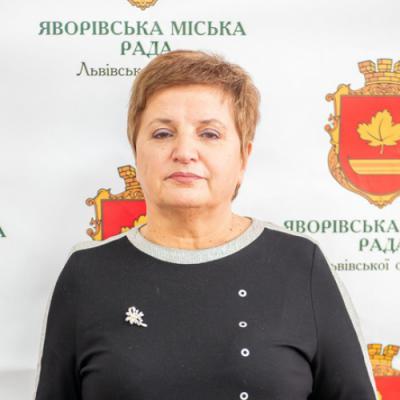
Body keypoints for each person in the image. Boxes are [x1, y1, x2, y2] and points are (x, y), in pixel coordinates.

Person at [32, 49, 379, 400]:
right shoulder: (87, 273)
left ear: (243, 157)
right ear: (136, 153)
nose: (184, 152)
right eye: (162, 133)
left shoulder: (300, 264)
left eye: (210, 134)